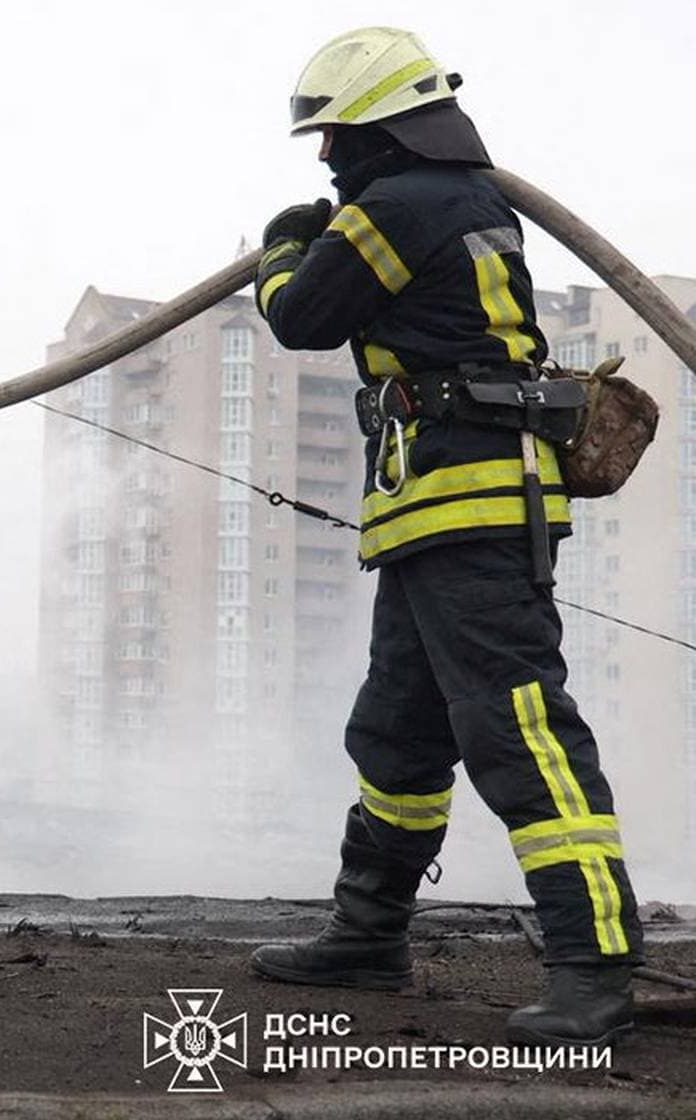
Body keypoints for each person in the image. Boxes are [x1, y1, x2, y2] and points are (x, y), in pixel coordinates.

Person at [248, 28, 642, 1046]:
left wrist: (286, 244)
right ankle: (368, 932)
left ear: (381, 126)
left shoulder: (405, 204)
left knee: (519, 729)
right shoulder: (456, 200)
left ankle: (594, 962)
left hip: (470, 506)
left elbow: (301, 314)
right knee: (398, 731)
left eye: (336, 138)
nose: (327, 158)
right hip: (435, 512)